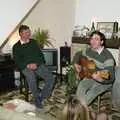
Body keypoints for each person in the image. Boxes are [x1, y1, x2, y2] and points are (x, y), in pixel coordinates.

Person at [12, 25, 54, 108]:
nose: (29, 34)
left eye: (29, 32)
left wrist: (36, 64)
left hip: (37, 65)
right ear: (21, 34)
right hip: (25, 67)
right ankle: (36, 99)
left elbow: (41, 56)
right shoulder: (16, 47)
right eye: (26, 32)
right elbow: (17, 61)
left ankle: (41, 97)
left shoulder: (34, 42)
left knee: (50, 77)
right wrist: (27, 65)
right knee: (31, 77)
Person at [72, 31, 115, 105]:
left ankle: (81, 109)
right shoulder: (89, 50)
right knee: (81, 86)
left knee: (92, 92)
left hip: (104, 82)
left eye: (96, 39)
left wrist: (100, 78)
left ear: (101, 42)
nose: (93, 41)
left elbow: (111, 77)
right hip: (91, 76)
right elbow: (78, 54)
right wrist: (76, 63)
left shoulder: (108, 57)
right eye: (92, 39)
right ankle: (79, 109)